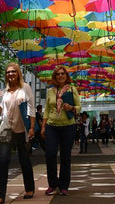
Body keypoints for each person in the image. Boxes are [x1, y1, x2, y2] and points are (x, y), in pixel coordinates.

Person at [0, 62, 36, 202]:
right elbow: (3, 112)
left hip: (22, 128)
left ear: (18, 74)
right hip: (6, 128)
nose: (10, 74)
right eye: (8, 72)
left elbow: (31, 109)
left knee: (24, 159)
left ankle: (29, 188)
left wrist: (32, 128)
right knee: (3, 160)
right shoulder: (4, 92)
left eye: (13, 71)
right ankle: (0, 197)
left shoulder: (25, 88)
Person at [41, 65, 81, 196]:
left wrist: (72, 107)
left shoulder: (72, 89)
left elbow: (79, 107)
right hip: (51, 126)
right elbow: (46, 109)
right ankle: (52, 184)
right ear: (55, 77)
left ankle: (64, 186)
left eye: (63, 73)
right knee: (50, 154)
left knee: (65, 157)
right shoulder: (51, 91)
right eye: (58, 74)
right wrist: (43, 126)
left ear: (66, 76)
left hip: (68, 126)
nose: (60, 76)